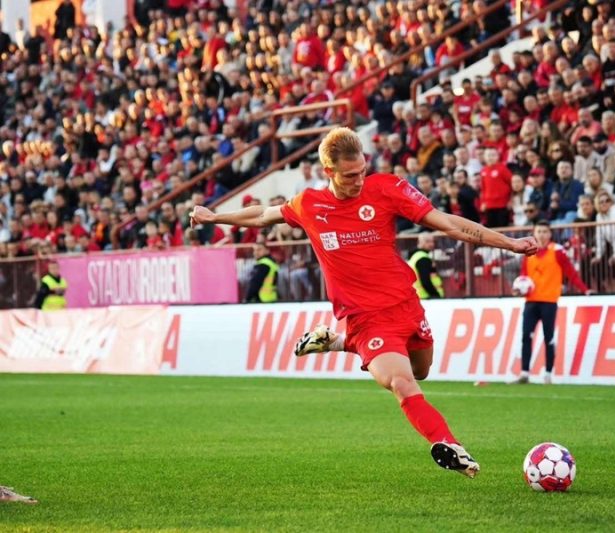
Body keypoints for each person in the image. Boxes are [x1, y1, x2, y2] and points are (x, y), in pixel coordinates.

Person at [190, 127, 539, 478]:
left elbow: (447, 224)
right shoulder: (309, 204)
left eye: (362, 171)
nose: (359, 181)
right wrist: (215, 217)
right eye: (349, 175)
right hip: (365, 318)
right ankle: (447, 443)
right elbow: (262, 216)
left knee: (421, 370)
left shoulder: (387, 188)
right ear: (329, 171)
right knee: (401, 382)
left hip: (405, 305)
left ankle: (338, 342)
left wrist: (508, 243)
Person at [510, 220, 590, 386]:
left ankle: (547, 374)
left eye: (545, 232)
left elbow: (570, 272)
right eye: (539, 231)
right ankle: (524, 373)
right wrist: (518, 289)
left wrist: (585, 290)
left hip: (549, 301)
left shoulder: (557, 251)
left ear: (550, 234)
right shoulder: (528, 252)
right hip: (531, 302)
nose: (542, 235)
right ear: (534, 233)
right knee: (526, 336)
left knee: (549, 338)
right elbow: (524, 276)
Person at [407, 233, 444, 299]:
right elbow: (425, 281)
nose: (431, 244)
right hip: (426, 297)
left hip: (419, 297)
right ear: (419, 242)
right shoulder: (423, 258)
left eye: (432, 241)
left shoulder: (415, 256)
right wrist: (436, 296)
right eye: (427, 241)